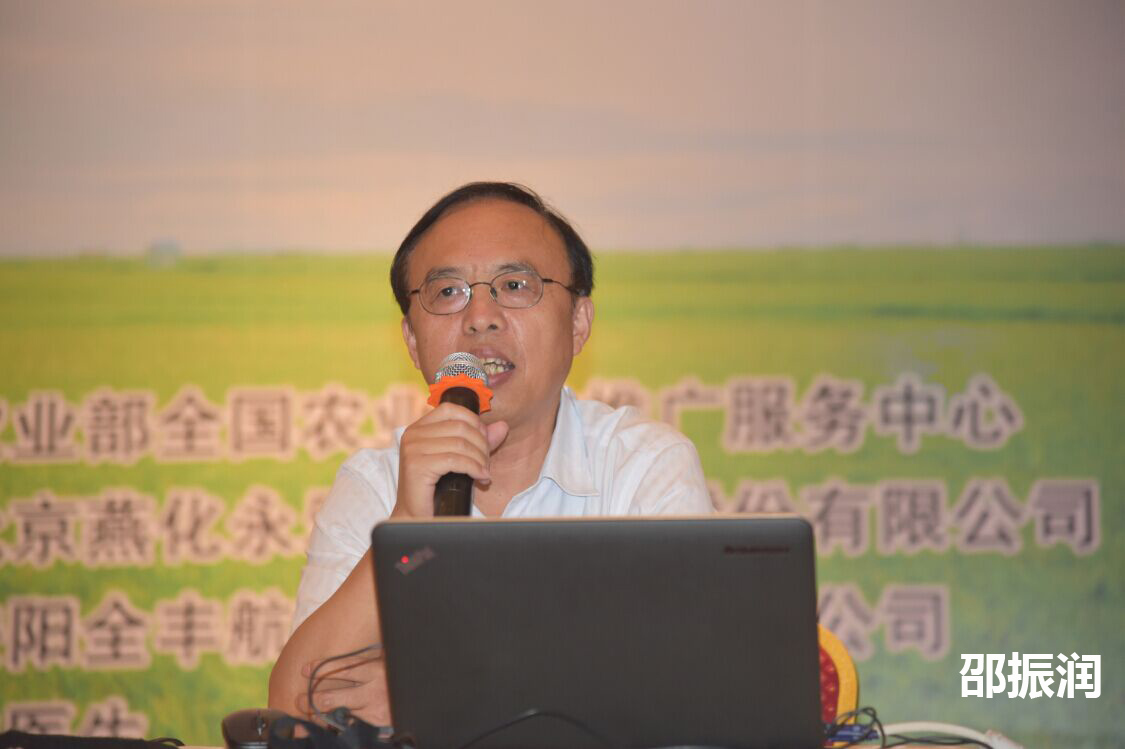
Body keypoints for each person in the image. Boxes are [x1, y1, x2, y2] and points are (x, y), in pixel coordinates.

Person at [268, 182, 713, 724]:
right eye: (448, 292)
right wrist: (407, 525)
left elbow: (684, 687)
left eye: (515, 285)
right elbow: (296, 708)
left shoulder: (644, 466)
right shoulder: (375, 484)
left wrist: (431, 691)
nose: (480, 316)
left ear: (578, 323)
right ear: (412, 341)